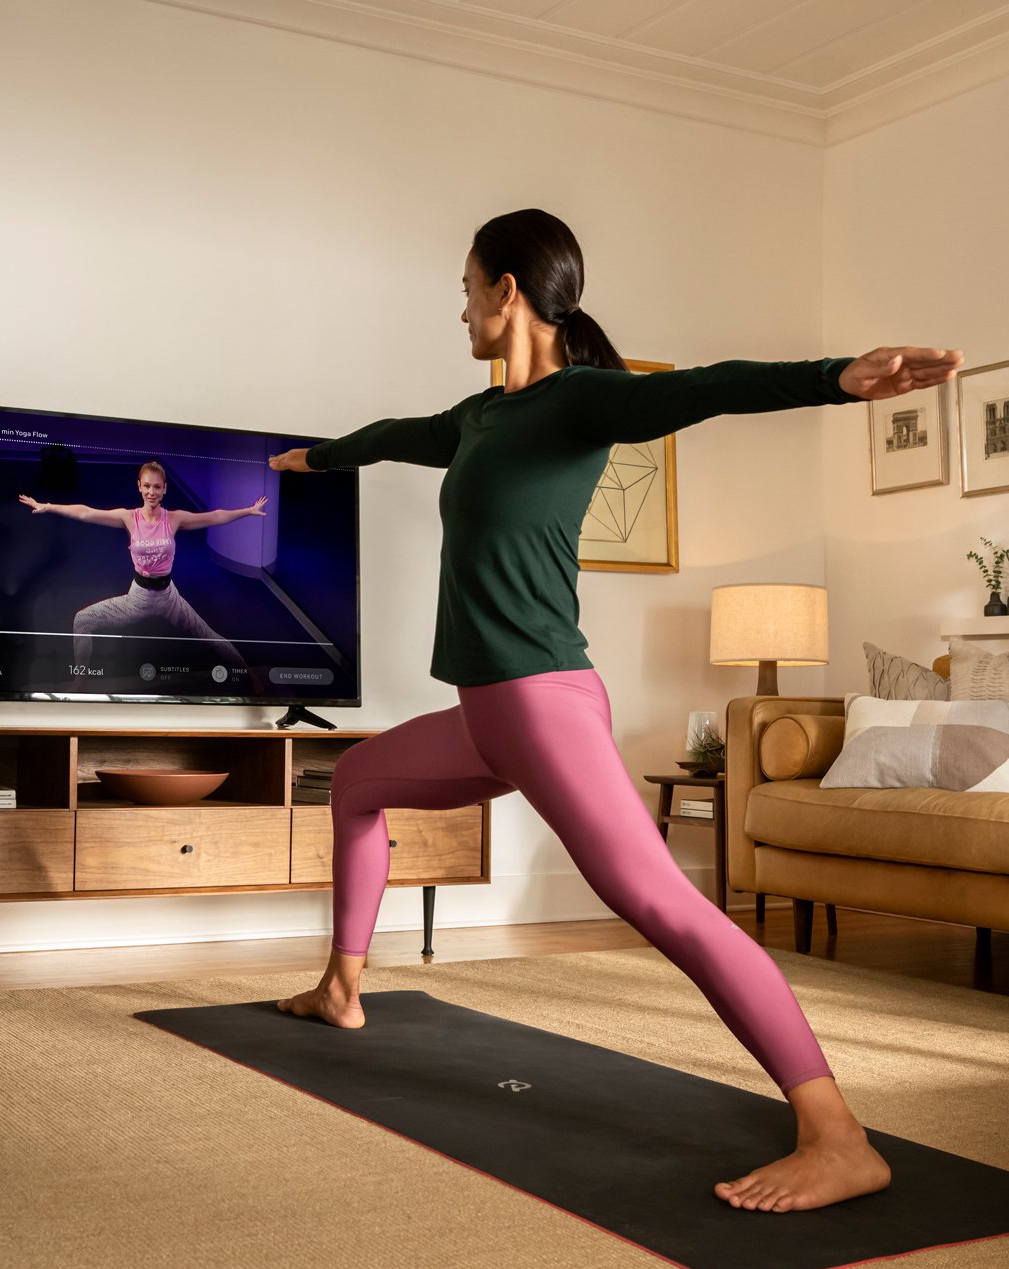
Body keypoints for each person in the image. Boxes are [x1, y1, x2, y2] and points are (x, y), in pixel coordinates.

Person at [267, 208, 962, 1214]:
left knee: (661, 904)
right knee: (362, 782)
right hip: (489, 712)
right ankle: (341, 986)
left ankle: (836, 1133)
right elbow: (393, 438)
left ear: (507, 292)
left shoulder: (579, 402)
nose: (457, 306)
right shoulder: (477, 418)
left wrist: (833, 376)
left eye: (466, 286)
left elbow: (706, 386)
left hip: (540, 704)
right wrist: (315, 459)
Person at [19, 461, 265, 692]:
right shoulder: (129, 517)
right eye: (146, 486)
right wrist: (49, 506)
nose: (151, 492)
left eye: (157, 487)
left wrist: (247, 510)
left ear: (165, 489)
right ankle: (80, 681)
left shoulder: (174, 518)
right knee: (82, 620)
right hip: (138, 599)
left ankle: (249, 674)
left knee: (209, 635)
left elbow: (214, 516)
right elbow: (86, 512)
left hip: (170, 598)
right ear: (139, 486)